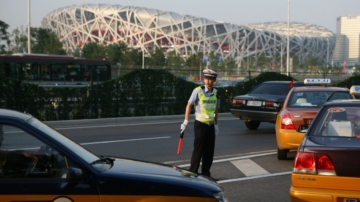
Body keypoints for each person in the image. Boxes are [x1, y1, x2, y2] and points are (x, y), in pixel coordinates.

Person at [180, 68, 220, 177]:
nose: (208, 81)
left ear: (214, 80)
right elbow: (189, 105)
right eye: (206, 78)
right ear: (204, 79)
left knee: (209, 151)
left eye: (211, 79)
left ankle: (206, 174)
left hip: (211, 125)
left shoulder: (216, 93)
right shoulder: (197, 91)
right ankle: (193, 171)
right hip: (200, 124)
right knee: (198, 149)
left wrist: (216, 125)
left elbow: (216, 110)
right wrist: (185, 121)